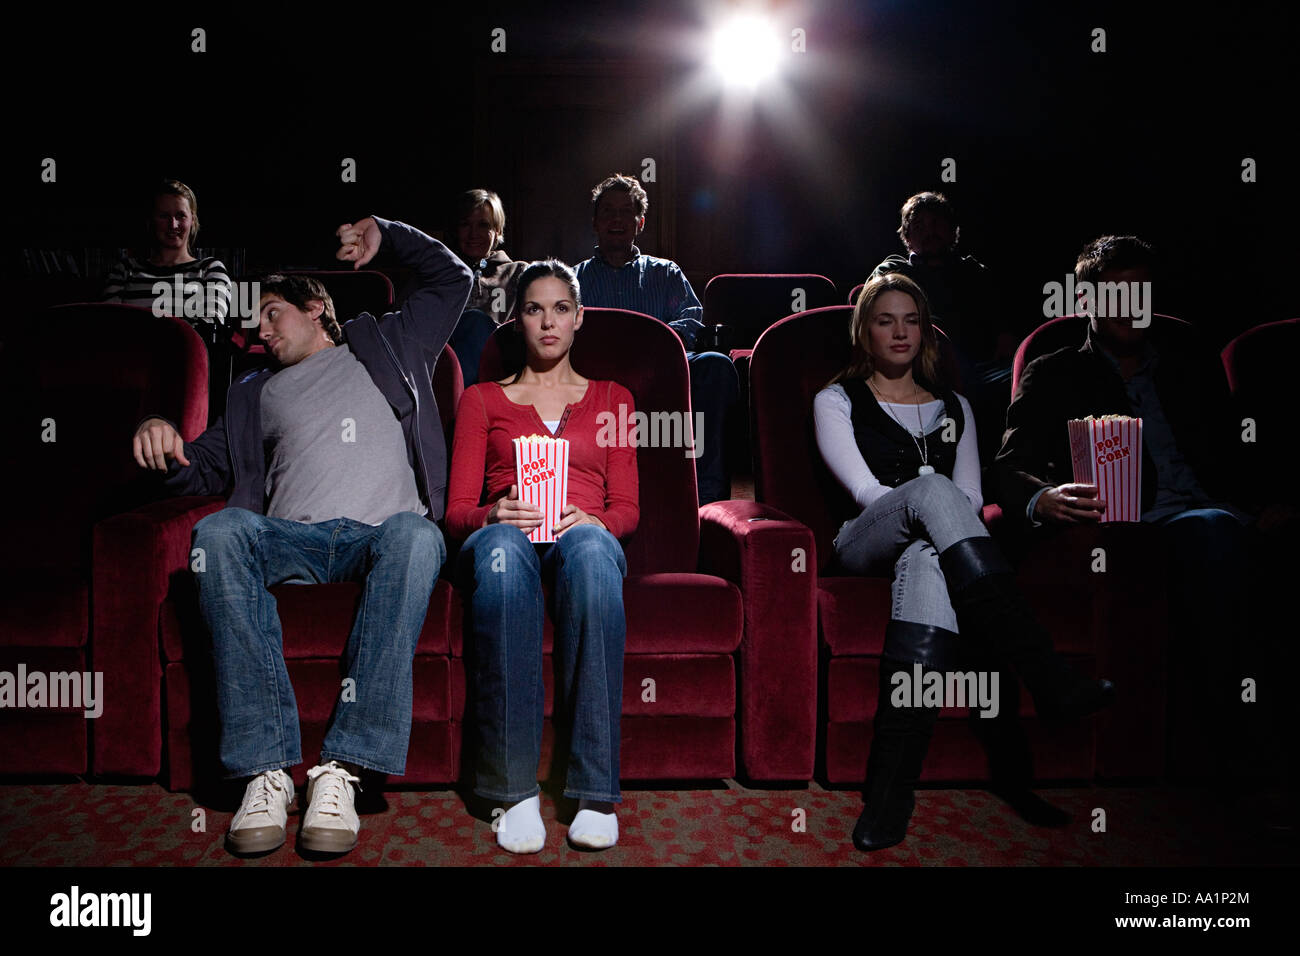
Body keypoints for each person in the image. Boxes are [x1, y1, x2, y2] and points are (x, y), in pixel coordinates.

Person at [131, 215, 472, 856]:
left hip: (382, 536)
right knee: (220, 532)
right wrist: (160, 433)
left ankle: (342, 769)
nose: (259, 329)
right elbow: (198, 467)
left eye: (273, 312)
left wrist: (387, 238)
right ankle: (266, 771)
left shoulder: (393, 343)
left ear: (317, 307)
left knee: (416, 537)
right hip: (290, 538)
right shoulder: (251, 391)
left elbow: (454, 278)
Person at [813, 272, 1114, 853]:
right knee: (933, 496)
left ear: (926, 331)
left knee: (929, 559)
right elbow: (867, 492)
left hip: (934, 545)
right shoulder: (836, 398)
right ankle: (1045, 672)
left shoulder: (958, 406)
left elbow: (974, 499)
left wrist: (939, 516)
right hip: (863, 539)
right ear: (865, 331)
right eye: (884, 320)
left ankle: (890, 790)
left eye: (911, 320)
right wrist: (932, 499)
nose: (899, 332)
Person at [994, 235, 1275, 796]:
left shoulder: (1190, 365)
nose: (1131, 308)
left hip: (1226, 512)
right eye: (1115, 294)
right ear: (1088, 301)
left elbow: (1243, 452)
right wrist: (1041, 498)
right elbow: (1009, 465)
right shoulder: (1054, 372)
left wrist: (1269, 505)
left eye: (1140, 292)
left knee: (1238, 534)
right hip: (1138, 527)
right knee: (1213, 534)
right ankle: (1239, 754)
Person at [446, 259, 639, 854]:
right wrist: (491, 514)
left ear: (579, 318)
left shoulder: (613, 398)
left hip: (582, 533)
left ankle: (593, 791)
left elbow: (627, 507)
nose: (548, 321)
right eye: (534, 309)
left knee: (589, 549)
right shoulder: (482, 400)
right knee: (501, 552)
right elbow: (455, 512)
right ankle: (513, 790)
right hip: (508, 534)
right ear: (516, 319)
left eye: (560, 309)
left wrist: (597, 520)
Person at [574, 173, 738, 505]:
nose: (617, 219)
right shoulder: (574, 278)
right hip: (597, 378)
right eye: (608, 211)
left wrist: (650, 343)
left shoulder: (666, 273)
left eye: (626, 211)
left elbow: (692, 320)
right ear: (595, 222)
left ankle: (708, 500)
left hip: (659, 372)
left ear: (641, 222)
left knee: (715, 365)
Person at [870, 191, 1014, 466]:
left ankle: (1012, 469)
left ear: (952, 232)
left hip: (982, 366)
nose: (929, 231)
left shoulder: (973, 271)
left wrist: (1004, 334)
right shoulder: (894, 271)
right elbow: (878, 316)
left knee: (1028, 372)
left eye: (937, 224)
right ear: (907, 236)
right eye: (920, 226)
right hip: (922, 368)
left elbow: (1002, 322)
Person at [103, 179, 233, 330]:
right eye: (164, 216)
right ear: (152, 220)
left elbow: (210, 328)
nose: (173, 225)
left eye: (180, 215)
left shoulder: (210, 270)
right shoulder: (125, 270)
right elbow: (109, 327)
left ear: (192, 220)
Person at [448, 188, 529, 386]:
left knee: (478, 322)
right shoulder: (441, 273)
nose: (473, 234)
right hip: (444, 360)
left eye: (483, 225)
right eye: (465, 224)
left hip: (502, 364)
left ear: (498, 230)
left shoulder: (518, 272)